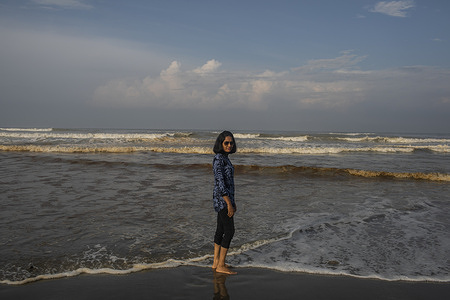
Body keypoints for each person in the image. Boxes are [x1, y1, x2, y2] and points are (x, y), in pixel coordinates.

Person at [212, 131, 237, 275]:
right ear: (220, 143)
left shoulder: (225, 158)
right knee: (229, 231)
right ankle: (221, 265)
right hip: (222, 200)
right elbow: (220, 183)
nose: (229, 145)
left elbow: (229, 183)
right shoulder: (218, 159)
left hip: (226, 199)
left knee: (221, 230)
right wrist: (228, 202)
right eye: (226, 143)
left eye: (231, 143)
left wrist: (234, 201)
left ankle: (216, 262)